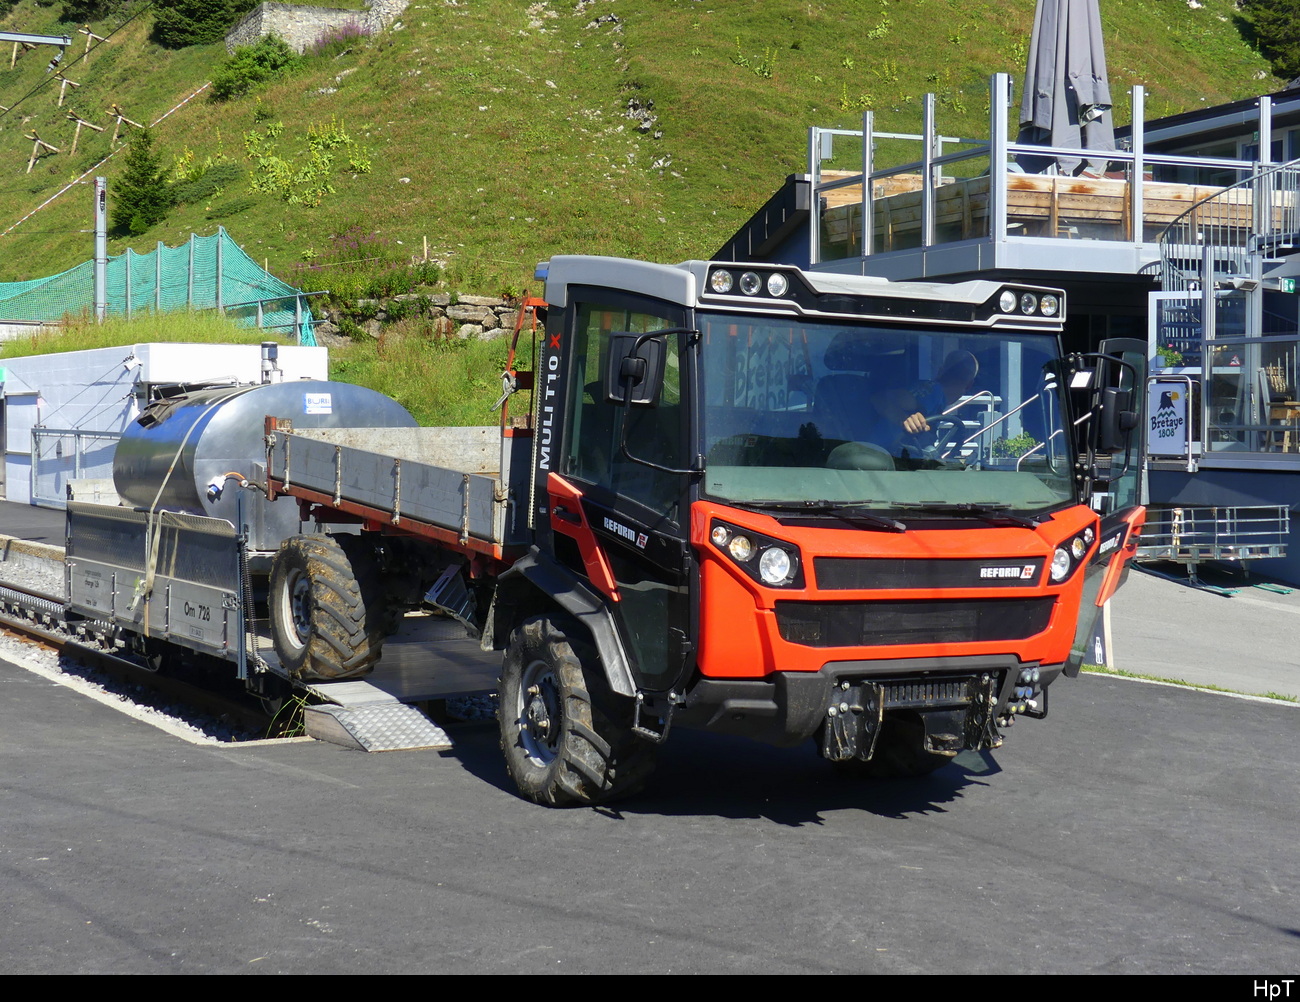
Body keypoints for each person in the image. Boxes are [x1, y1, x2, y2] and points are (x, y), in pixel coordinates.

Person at [870, 349, 979, 445]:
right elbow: (880, 399)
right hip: (880, 454)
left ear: (940, 371)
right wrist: (905, 420)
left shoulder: (938, 398)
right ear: (970, 385)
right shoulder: (932, 392)